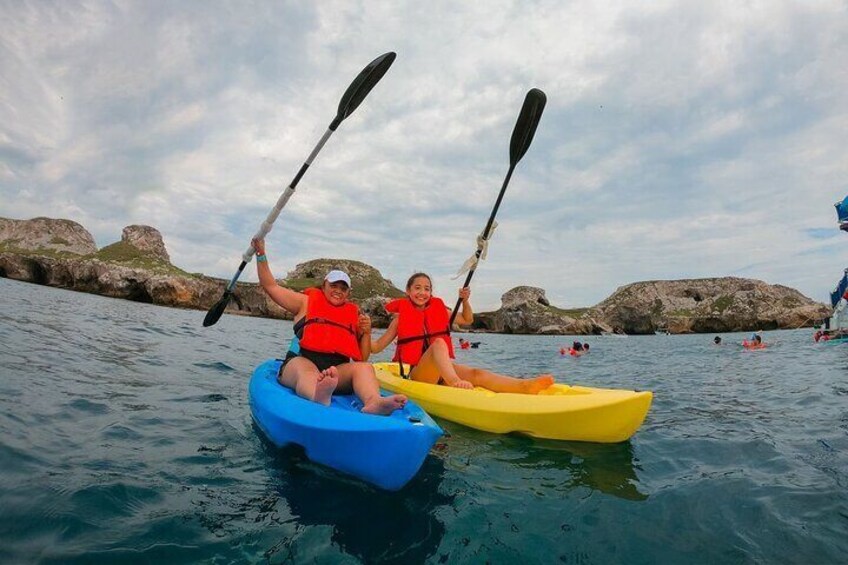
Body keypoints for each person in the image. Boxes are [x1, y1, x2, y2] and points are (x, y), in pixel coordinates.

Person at [252, 238, 406, 415]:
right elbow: (270, 286)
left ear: (348, 293)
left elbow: (362, 358)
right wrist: (261, 254)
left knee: (365, 368)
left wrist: (366, 333)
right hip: (302, 362)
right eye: (334, 285)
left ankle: (374, 401)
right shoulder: (305, 302)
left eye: (343, 287)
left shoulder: (354, 315)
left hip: (336, 371)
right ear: (324, 285)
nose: (338, 290)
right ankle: (317, 394)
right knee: (306, 372)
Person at [369, 272, 554, 393]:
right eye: (417, 288)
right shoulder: (400, 319)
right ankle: (455, 382)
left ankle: (523, 386)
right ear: (408, 291)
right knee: (439, 344)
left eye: (427, 289)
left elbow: (467, 320)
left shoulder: (440, 311)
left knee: (477, 373)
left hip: (441, 372)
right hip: (416, 374)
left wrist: (465, 301)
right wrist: (365, 332)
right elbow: (376, 348)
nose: (422, 293)